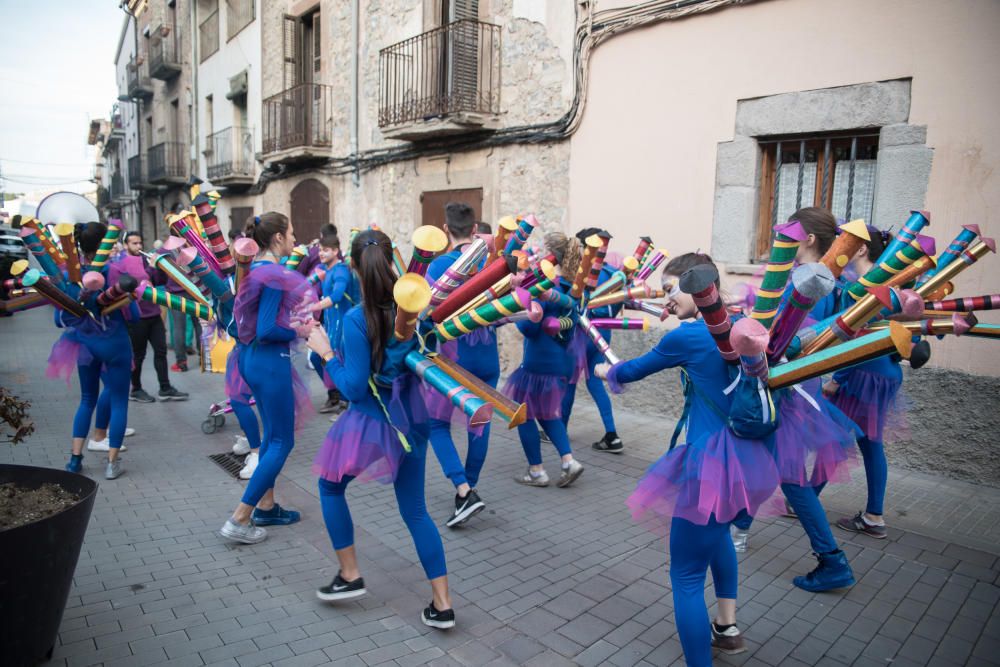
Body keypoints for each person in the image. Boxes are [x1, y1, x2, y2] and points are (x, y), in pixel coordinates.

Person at [595, 252, 781, 665]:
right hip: (753, 462)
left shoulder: (687, 337)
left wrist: (605, 372)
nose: (665, 300)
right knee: (716, 539)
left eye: (670, 290)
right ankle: (727, 628)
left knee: (685, 574)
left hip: (711, 467)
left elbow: (632, 371)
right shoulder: (745, 324)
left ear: (698, 287)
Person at [306, 229, 455, 629]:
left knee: (329, 486)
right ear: (394, 260)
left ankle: (350, 575)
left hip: (373, 422)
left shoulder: (358, 318)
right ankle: (442, 605)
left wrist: (324, 352)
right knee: (416, 511)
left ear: (353, 265)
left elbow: (353, 387)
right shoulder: (413, 310)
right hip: (414, 419)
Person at [730, 206, 859, 593]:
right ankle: (738, 530)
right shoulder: (829, 280)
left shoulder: (812, 281)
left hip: (789, 387)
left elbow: (792, 340)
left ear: (808, 240)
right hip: (798, 386)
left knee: (788, 477)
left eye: (791, 232)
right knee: (771, 465)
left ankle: (832, 560)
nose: (782, 238)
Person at [219, 212, 316, 544]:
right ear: (277, 238)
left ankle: (267, 507)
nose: (294, 239)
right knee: (281, 441)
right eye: (290, 233)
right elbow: (267, 329)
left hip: (249, 359)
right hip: (268, 361)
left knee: (272, 435)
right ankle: (239, 518)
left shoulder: (251, 269)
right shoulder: (273, 274)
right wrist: (300, 328)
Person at [424, 203, 496, 527]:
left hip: (455, 357)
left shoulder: (439, 266)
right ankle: (468, 489)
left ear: (445, 229)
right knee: (479, 423)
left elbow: (426, 313)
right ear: (474, 230)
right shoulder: (489, 264)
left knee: (436, 425)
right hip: (488, 355)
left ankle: (464, 490)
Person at [827, 226, 899, 539]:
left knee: (834, 437)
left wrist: (836, 378)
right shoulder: (890, 282)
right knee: (869, 444)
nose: (838, 246)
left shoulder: (859, 288)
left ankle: (801, 499)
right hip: (886, 373)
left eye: (845, 242)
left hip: (862, 374)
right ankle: (874, 515)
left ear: (859, 249)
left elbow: (850, 339)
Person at [505, 231, 585, 488]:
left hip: (539, 361)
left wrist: (517, 307)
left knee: (523, 413)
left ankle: (537, 471)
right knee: (549, 413)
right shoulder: (573, 287)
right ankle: (568, 461)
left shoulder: (545, 287)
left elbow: (531, 328)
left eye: (541, 250)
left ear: (551, 255)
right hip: (563, 360)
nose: (537, 255)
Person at [56, 222, 133, 480]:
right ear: (106, 243)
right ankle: (112, 463)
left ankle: (74, 460)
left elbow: (59, 319)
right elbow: (132, 314)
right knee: (120, 400)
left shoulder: (70, 276)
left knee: (87, 399)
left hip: (84, 344)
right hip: (114, 342)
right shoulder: (113, 270)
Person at [560, 228, 623, 453]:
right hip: (603, 332)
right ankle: (612, 434)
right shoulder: (613, 273)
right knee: (594, 380)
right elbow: (617, 303)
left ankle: (559, 429)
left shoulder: (580, 272)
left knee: (569, 380)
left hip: (581, 332)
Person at [111, 231, 187, 403]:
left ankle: (165, 388)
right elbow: (129, 287)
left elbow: (159, 281)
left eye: (139, 243)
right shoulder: (121, 265)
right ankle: (136, 389)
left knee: (161, 351)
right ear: (125, 245)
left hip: (153, 313)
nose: (138, 247)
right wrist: (151, 268)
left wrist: (159, 266)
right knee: (139, 354)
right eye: (134, 244)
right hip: (137, 316)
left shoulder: (146, 259)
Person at [308, 232, 359, 414]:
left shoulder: (341, 271)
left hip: (342, 324)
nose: (321, 254)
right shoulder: (326, 270)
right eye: (320, 250)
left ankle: (345, 403)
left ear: (336, 251)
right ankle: (334, 394)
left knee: (336, 359)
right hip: (330, 323)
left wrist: (313, 307)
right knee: (317, 357)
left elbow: (336, 296)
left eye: (326, 250)